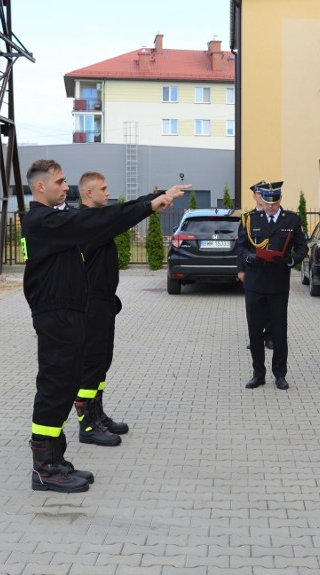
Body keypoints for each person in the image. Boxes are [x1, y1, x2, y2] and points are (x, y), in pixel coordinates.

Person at [21, 159, 186, 492]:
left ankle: (55, 460)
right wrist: (150, 204)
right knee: (54, 389)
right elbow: (97, 220)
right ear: (40, 186)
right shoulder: (43, 220)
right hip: (56, 315)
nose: (65, 187)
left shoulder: (54, 219)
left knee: (64, 386)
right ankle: (44, 468)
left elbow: (99, 221)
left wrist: (148, 203)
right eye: (59, 182)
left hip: (70, 312)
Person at [73, 172, 185, 446]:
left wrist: (157, 197)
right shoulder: (89, 221)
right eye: (103, 188)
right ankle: (87, 426)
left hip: (104, 301)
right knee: (91, 363)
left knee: (102, 360)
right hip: (90, 302)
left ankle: (98, 415)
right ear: (88, 193)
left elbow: (124, 210)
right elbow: (125, 215)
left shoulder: (99, 217)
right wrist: (152, 204)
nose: (107, 192)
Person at [235, 180, 308, 390]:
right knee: (255, 332)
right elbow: (240, 247)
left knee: (279, 332)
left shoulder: (292, 220)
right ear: (262, 200)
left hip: (278, 285)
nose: (270, 206)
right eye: (267, 202)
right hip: (255, 284)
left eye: (274, 203)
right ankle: (258, 374)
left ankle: (280, 374)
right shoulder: (250, 220)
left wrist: (292, 260)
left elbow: (303, 247)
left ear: (280, 200)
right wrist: (249, 258)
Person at [238, 182, 273, 351]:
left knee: (270, 306)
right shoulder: (247, 218)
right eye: (258, 194)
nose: (261, 197)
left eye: (264, 194)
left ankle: (270, 336)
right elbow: (241, 246)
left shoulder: (275, 216)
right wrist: (241, 269)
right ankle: (255, 338)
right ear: (254, 196)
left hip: (272, 268)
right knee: (254, 308)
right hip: (254, 269)